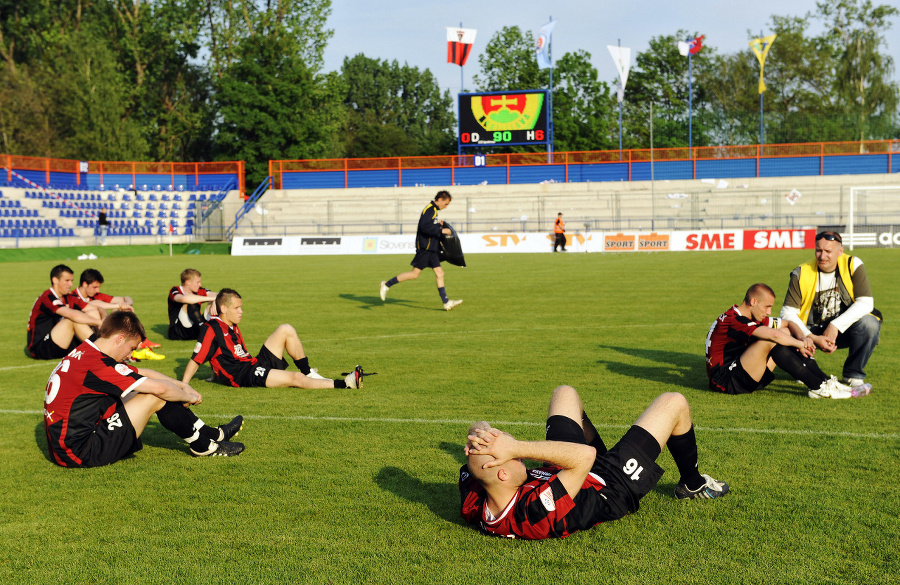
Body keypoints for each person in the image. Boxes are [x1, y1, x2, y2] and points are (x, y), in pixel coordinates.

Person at [459, 385, 728, 540]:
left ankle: (608, 452)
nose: (521, 458)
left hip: (568, 469)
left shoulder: (476, 495)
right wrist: (516, 446)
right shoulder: (531, 513)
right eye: (515, 458)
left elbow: (476, 447)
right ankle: (692, 485)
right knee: (674, 403)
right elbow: (584, 459)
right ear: (503, 474)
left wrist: (484, 435)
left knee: (565, 392)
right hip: (609, 486)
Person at [43, 311, 244, 467]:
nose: (130, 354)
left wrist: (181, 384)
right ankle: (204, 446)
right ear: (119, 338)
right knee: (154, 396)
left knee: (145, 389)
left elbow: (141, 371)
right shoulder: (99, 365)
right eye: (131, 348)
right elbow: (158, 388)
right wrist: (187, 396)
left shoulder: (90, 347)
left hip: (66, 444)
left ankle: (212, 435)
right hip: (80, 452)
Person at [706, 283, 871, 399]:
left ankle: (825, 381)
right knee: (770, 339)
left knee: (784, 331)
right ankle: (818, 387)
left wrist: (802, 338)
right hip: (725, 381)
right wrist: (801, 344)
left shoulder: (749, 315)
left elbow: (789, 323)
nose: (769, 312)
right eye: (767, 307)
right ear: (753, 302)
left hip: (743, 373)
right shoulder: (733, 320)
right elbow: (774, 337)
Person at [182, 288, 364, 390]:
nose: (241, 311)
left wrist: (214, 375)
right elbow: (197, 359)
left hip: (253, 363)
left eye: (241, 307)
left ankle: (309, 372)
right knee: (294, 378)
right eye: (237, 308)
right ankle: (346, 383)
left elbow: (221, 353)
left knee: (286, 329)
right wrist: (183, 387)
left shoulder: (230, 323)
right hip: (243, 374)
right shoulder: (211, 328)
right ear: (223, 309)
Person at [780, 231, 881, 388]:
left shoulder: (852, 264)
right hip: (811, 329)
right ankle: (805, 369)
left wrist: (835, 326)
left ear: (840, 251)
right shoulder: (801, 273)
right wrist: (811, 337)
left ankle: (852, 373)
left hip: (841, 330)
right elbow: (787, 313)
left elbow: (866, 302)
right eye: (818, 250)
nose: (822, 256)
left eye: (828, 251)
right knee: (785, 330)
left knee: (870, 323)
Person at [379, 190, 463, 311]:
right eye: (446, 204)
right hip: (426, 249)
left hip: (431, 249)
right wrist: (441, 230)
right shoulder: (430, 209)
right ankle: (386, 284)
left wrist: (439, 225)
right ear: (439, 199)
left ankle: (446, 302)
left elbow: (430, 225)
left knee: (439, 273)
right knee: (414, 274)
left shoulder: (433, 210)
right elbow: (424, 227)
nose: (446, 207)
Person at [73, 268, 164, 359]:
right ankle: (126, 351)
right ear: (85, 284)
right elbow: (93, 305)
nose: (97, 290)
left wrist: (126, 304)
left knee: (123, 311)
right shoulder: (73, 297)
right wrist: (118, 306)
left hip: (96, 331)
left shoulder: (95, 295)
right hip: (78, 337)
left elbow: (126, 298)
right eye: (95, 287)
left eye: (98, 287)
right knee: (95, 312)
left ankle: (135, 343)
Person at [27, 264, 103, 360]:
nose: (71, 285)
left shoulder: (67, 297)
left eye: (71, 281)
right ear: (55, 280)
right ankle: (103, 350)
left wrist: (103, 317)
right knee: (70, 320)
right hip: (41, 347)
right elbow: (72, 314)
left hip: (61, 342)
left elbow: (93, 308)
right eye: (67, 281)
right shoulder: (47, 298)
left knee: (92, 313)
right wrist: (99, 322)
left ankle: (105, 347)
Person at [167, 268, 218, 340]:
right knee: (190, 303)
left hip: (195, 330)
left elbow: (219, 295)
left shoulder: (199, 290)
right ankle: (204, 330)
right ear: (188, 282)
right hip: (178, 332)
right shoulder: (175, 290)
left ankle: (213, 330)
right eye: (197, 282)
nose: (200, 285)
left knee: (215, 302)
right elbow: (184, 299)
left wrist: (214, 301)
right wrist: (212, 299)